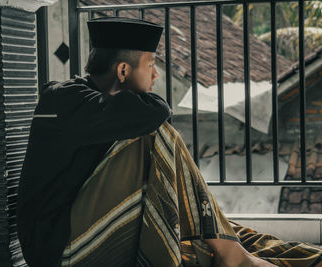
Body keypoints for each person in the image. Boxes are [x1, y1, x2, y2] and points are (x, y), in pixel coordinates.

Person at [17, 17, 322, 267]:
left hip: (97, 229)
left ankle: (245, 251)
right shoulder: (63, 99)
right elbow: (155, 112)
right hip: (60, 251)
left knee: (221, 241)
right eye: (150, 64)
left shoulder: (104, 109)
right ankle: (235, 257)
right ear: (123, 70)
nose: (156, 74)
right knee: (154, 132)